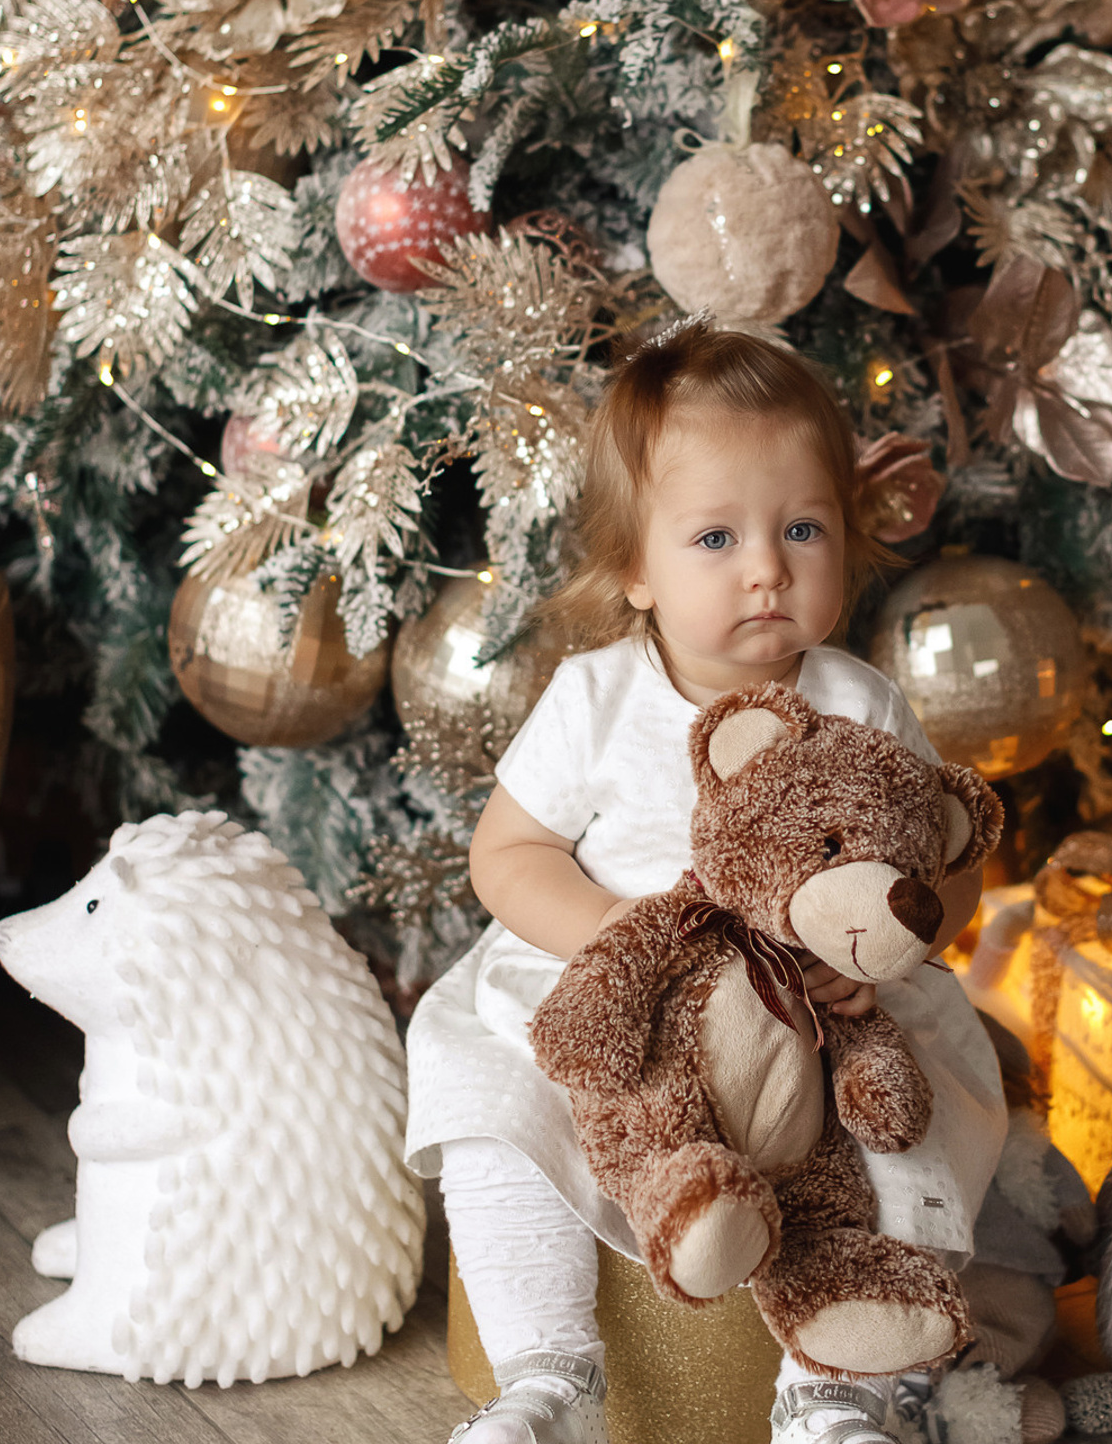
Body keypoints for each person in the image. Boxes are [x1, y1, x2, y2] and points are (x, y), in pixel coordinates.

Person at [405, 319, 1007, 1444]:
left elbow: (945, 870)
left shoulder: (860, 703)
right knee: (494, 1105)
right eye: (717, 536)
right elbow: (508, 854)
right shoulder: (594, 698)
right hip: (622, 993)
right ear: (634, 567)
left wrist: (883, 960)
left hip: (813, 1012)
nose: (767, 567)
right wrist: (612, 928)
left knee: (908, 1115)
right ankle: (551, 1376)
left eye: (803, 529)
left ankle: (840, 1387)